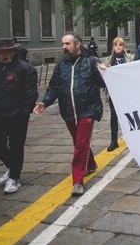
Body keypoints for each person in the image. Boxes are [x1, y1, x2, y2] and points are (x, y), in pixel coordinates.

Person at [34, 32, 107, 197]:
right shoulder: (61, 66)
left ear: (77, 45)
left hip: (87, 110)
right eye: (63, 44)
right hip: (68, 110)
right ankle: (91, 164)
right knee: (78, 142)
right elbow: (53, 87)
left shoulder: (91, 61)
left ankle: (78, 181)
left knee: (80, 145)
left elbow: (103, 83)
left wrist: (103, 71)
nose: (64, 47)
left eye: (67, 44)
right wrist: (45, 102)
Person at [0, 38, 38, 194]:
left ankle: (14, 177)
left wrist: (23, 113)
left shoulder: (25, 69)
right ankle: (11, 166)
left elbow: (30, 95)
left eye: (5, 53)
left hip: (16, 117)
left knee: (16, 147)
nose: (2, 56)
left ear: (13, 51)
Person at [104, 37, 132, 152]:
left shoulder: (130, 59)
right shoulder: (108, 60)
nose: (118, 47)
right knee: (114, 116)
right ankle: (113, 141)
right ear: (113, 47)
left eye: (120, 45)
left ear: (124, 46)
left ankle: (131, 139)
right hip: (113, 94)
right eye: (116, 45)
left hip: (126, 93)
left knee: (128, 116)